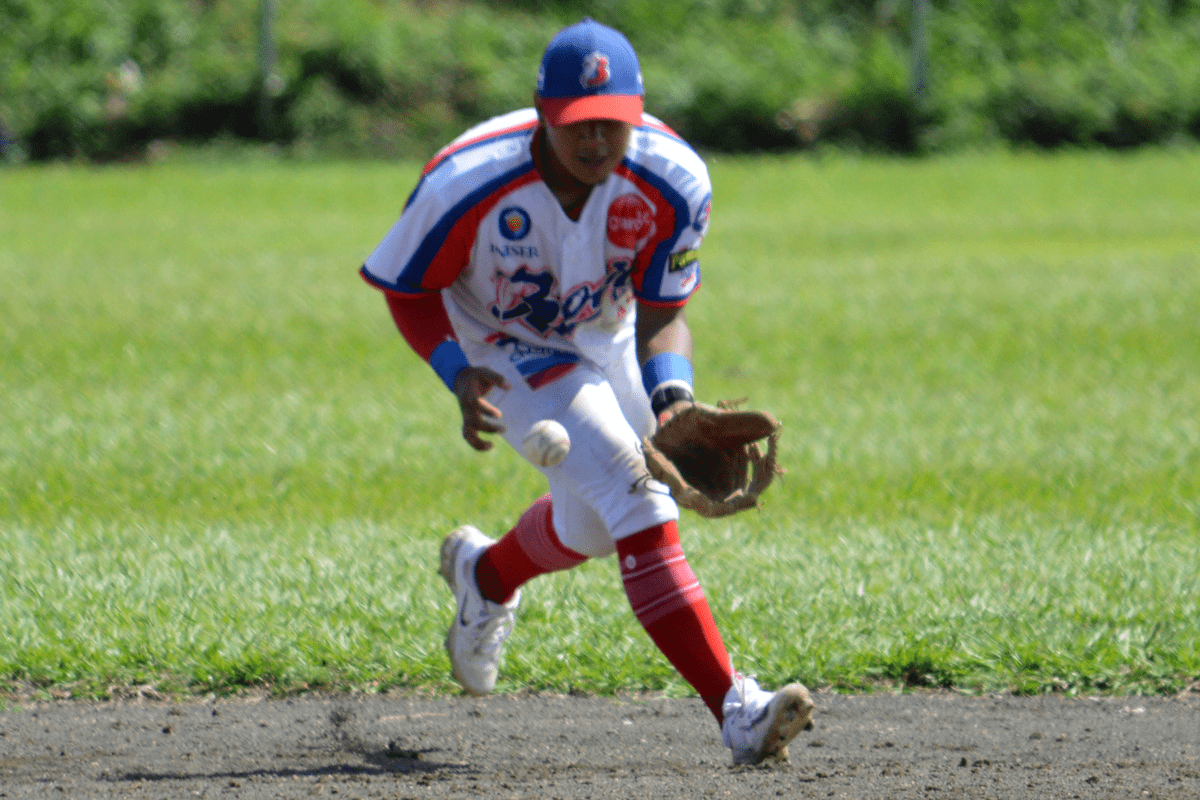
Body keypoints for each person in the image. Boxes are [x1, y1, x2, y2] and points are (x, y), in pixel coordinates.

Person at [359, 17, 813, 765]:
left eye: (614, 122)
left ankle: (486, 573)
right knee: (636, 495)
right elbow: (408, 290)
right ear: (543, 113)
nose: (598, 140)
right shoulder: (468, 182)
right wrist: (454, 368)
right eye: (579, 124)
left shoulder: (674, 180)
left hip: (605, 327)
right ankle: (738, 711)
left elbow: (664, 314)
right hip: (498, 337)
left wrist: (673, 401)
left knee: (600, 526)